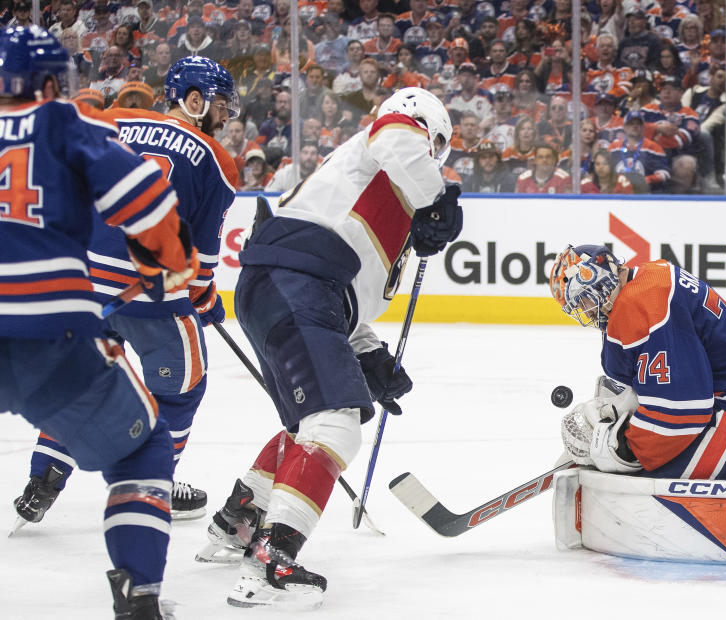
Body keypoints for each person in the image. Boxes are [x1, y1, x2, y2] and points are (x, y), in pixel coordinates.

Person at [197, 87, 463, 608]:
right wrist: (439, 198)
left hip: (283, 286)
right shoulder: (386, 143)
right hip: (297, 282)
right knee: (337, 421)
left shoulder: (383, 198)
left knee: (307, 426)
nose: (433, 156)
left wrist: (368, 354)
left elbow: (350, 298)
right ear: (428, 135)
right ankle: (273, 561)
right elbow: (395, 134)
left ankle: (240, 520)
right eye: (435, 145)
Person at [0, 25, 197, 618]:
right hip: (51, 334)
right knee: (142, 453)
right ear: (55, 80)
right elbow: (149, 206)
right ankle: (138, 596)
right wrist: (170, 263)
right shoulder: (65, 123)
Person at [15, 55, 240, 528]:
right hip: (153, 298)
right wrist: (206, 301)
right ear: (194, 100)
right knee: (182, 388)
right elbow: (197, 260)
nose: (226, 118)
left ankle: (44, 476)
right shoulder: (217, 160)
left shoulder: (112, 121)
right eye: (220, 106)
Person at [548, 244, 726, 570]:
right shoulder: (647, 281)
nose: (586, 310)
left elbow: (681, 412)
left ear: (601, 281)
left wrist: (621, 447)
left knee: (650, 490)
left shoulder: (642, 301)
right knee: (647, 480)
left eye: (586, 298)